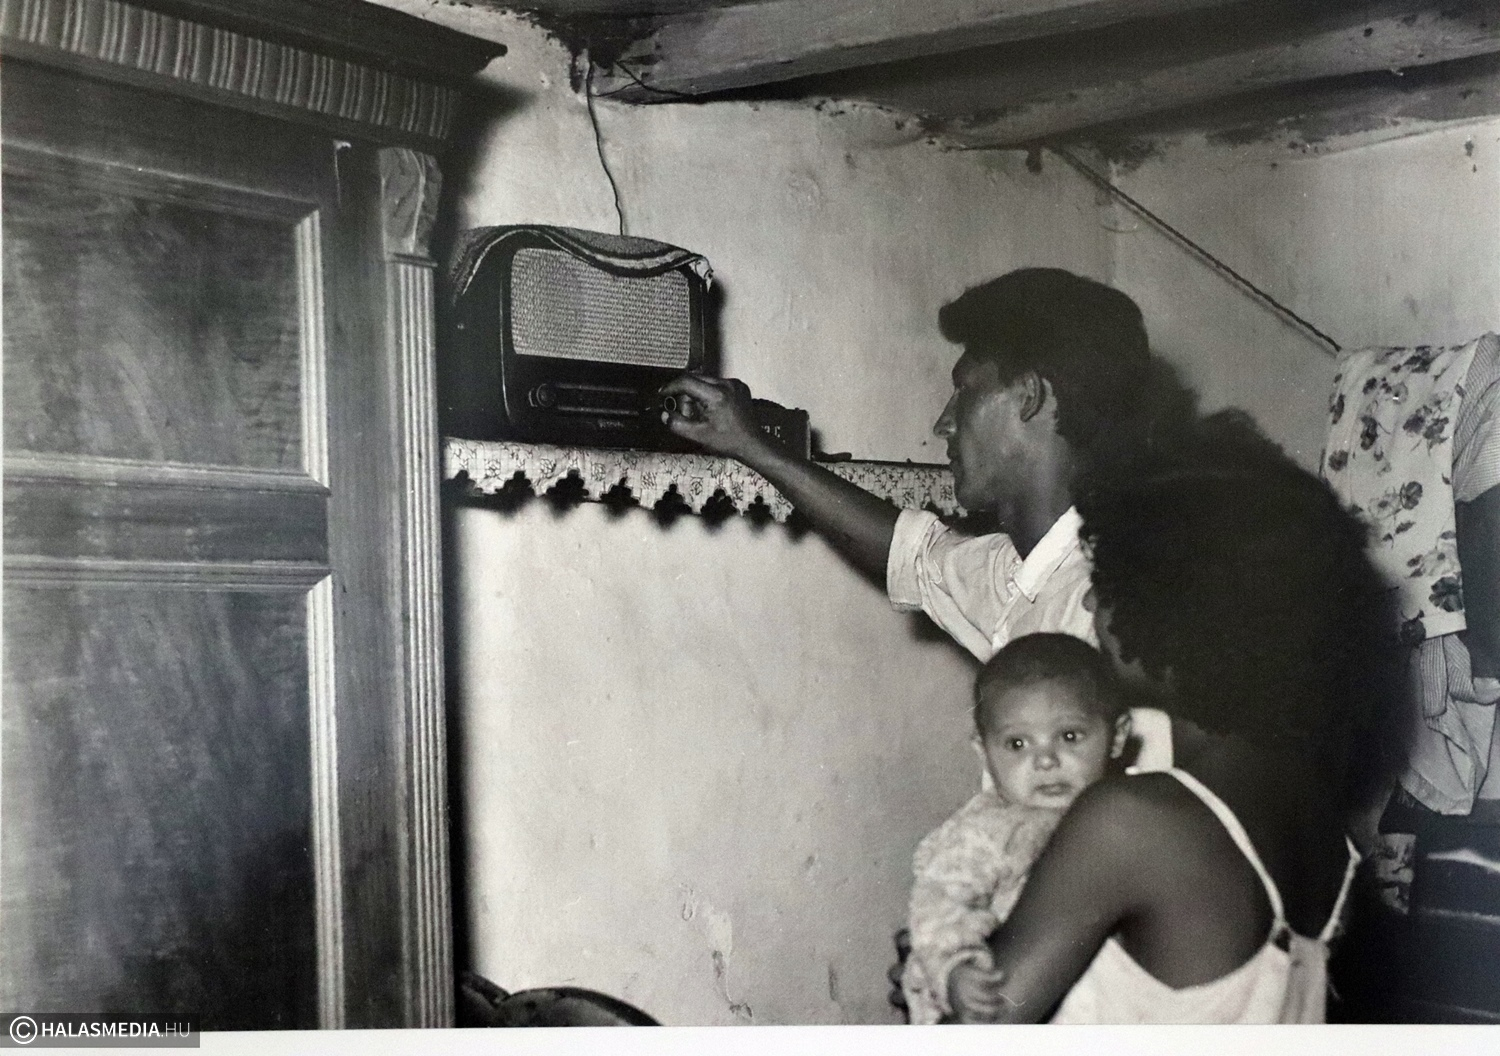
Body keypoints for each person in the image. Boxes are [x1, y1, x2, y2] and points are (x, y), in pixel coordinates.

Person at [942, 466, 1402, 1023]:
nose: (1088, 604)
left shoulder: (1133, 820)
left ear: (1173, 609)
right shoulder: (1314, 813)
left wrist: (935, 980)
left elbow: (975, 1027)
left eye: (1108, 583)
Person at [902, 633, 1130, 1025]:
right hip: (989, 991)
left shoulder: (1127, 811)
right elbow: (938, 904)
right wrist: (955, 969)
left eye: (1069, 736)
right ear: (984, 751)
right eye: (1018, 744)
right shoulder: (987, 830)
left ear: (1117, 736)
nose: (1045, 760)